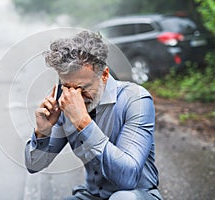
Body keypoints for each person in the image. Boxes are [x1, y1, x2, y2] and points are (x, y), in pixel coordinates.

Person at [24, 30, 163, 200]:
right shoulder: (64, 105)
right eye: (67, 87)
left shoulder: (135, 99)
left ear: (104, 75)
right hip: (91, 195)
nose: (74, 97)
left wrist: (83, 122)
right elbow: (34, 166)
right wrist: (42, 131)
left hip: (136, 195)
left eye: (82, 88)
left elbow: (127, 178)